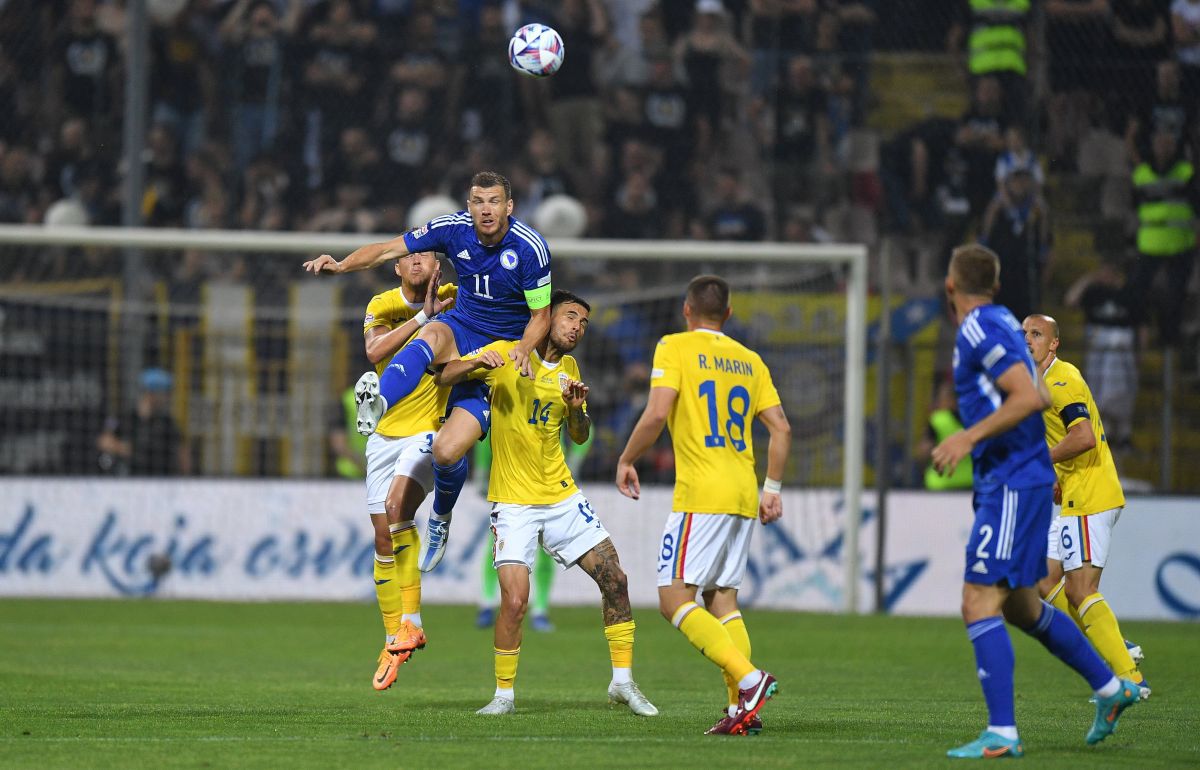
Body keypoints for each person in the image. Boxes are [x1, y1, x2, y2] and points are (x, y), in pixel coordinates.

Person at [931, 244, 1142, 759]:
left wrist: (967, 437)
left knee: (978, 601)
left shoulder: (978, 328)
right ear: (996, 286)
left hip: (1011, 481)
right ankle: (1112, 689)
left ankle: (1002, 733)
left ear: (950, 287)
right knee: (1024, 606)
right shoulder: (1004, 321)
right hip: (1019, 481)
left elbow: (1032, 396)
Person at [303, 171, 553, 573]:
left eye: (493, 201)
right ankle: (379, 402)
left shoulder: (530, 248)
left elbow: (541, 315)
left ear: (509, 206)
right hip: (463, 329)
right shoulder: (453, 229)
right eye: (478, 201)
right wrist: (341, 265)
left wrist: (523, 349)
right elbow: (387, 250)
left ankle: (440, 517)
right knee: (431, 331)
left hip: (503, 349)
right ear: (469, 206)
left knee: (446, 451)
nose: (485, 209)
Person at [436, 290, 658, 718]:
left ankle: (623, 682)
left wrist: (576, 411)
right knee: (515, 601)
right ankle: (503, 695)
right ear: (545, 317)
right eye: (571, 317)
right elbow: (444, 375)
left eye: (584, 323)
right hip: (514, 502)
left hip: (561, 497)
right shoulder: (506, 352)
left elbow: (579, 435)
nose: (577, 327)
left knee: (615, 579)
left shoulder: (570, 370)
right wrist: (477, 364)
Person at [615, 275, 791, 736]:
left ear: (686, 309)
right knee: (722, 599)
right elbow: (782, 428)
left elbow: (657, 412)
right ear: (728, 314)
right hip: (743, 491)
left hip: (702, 493)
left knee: (673, 599)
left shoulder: (674, 346)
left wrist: (627, 458)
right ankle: (741, 711)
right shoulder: (750, 360)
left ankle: (750, 680)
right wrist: (772, 489)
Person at [1022, 314, 1149, 695]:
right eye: (1023, 333)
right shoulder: (1038, 381)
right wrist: (1060, 478)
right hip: (1075, 494)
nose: (1027, 339)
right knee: (1044, 580)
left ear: (1054, 343)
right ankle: (1114, 641)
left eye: (1037, 334)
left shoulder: (1061, 380)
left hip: (1092, 496)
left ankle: (1129, 677)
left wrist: (1043, 461)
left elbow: (1083, 437)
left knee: (1081, 590)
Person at [357, 247, 456, 691]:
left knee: (399, 508)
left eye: (428, 256)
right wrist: (422, 318)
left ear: (438, 266)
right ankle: (392, 639)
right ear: (397, 266)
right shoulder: (382, 304)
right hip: (383, 432)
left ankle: (412, 621)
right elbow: (374, 350)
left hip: (427, 430)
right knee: (382, 537)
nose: (418, 261)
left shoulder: (455, 295)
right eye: (410, 256)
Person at [475, 425, 593, 632]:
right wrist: (482, 469)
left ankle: (540, 609)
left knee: (547, 549)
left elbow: (585, 427)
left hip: (550, 488)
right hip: (512, 485)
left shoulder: (555, 403)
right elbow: (487, 429)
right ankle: (488, 603)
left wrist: (574, 461)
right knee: (499, 545)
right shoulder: (507, 405)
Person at [97, 368, 191, 476]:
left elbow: (183, 454)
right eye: (164, 392)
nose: (166, 397)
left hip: (158, 479)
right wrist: (127, 449)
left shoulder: (168, 423)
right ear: (150, 393)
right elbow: (103, 441)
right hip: (127, 479)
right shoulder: (123, 417)